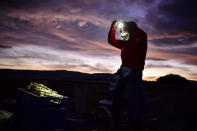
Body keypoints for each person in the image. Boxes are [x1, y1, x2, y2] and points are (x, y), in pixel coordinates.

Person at [108, 20, 150, 131]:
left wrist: (129, 26)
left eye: (125, 30)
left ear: (132, 30)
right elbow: (111, 40)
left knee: (134, 106)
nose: (122, 33)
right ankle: (115, 125)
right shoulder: (124, 43)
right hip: (123, 74)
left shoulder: (141, 38)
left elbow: (139, 34)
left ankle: (135, 125)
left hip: (134, 75)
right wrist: (114, 27)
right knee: (117, 104)